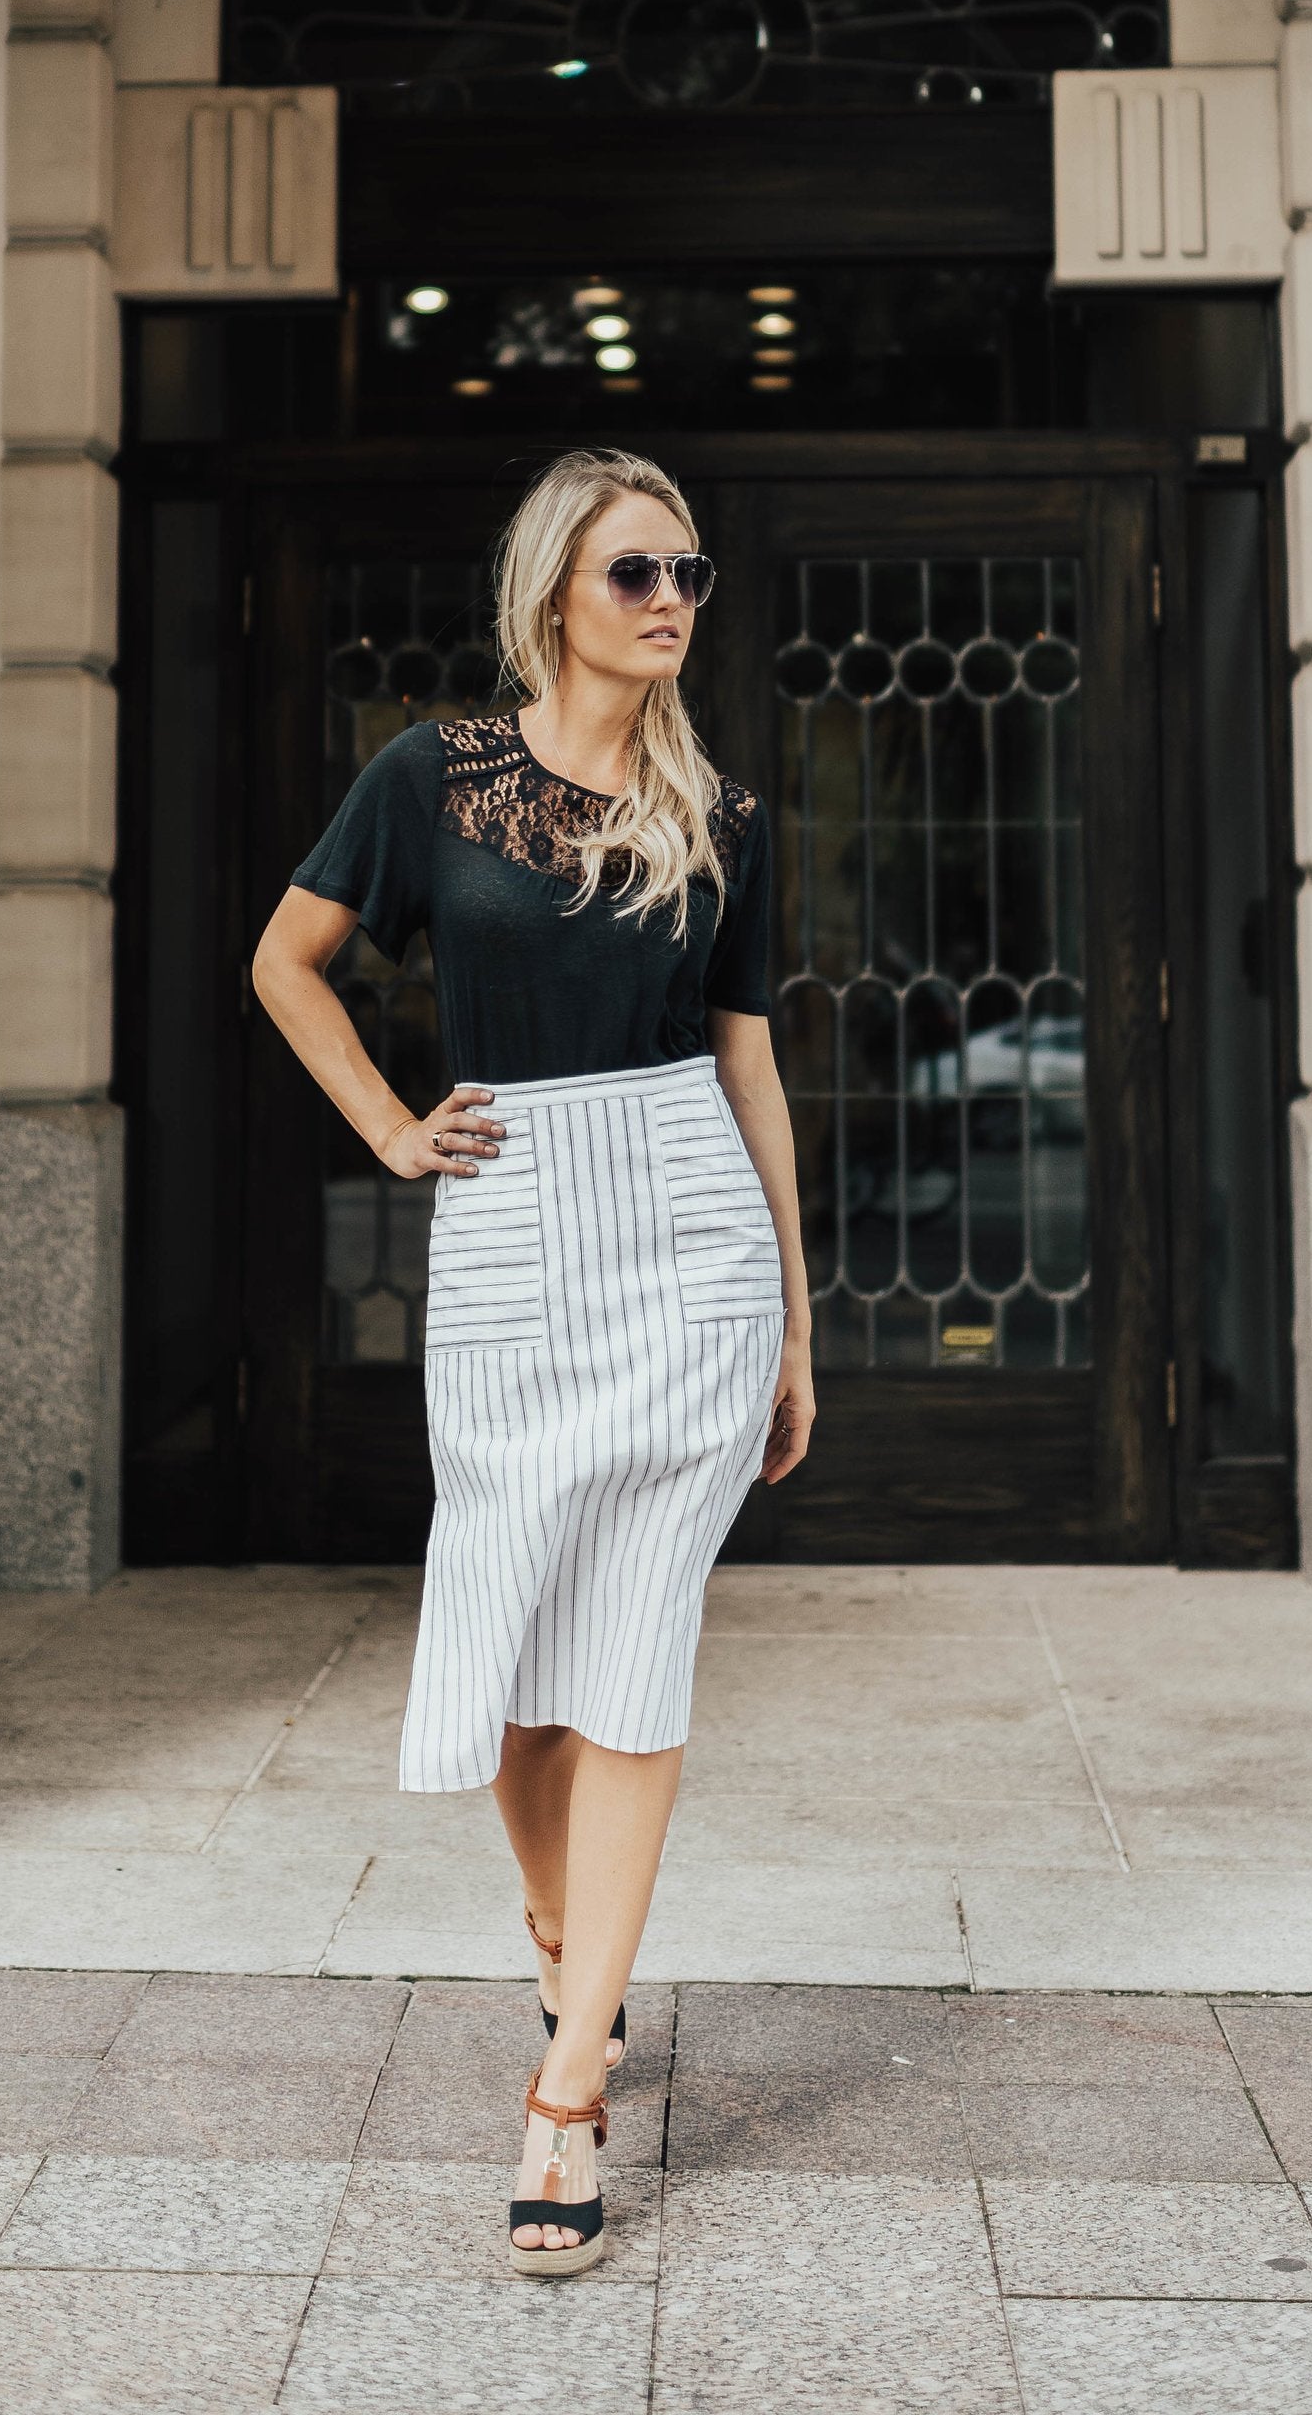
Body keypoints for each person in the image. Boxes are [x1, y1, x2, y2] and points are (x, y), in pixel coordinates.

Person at [253, 446, 815, 2273]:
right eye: (637, 573)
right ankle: (563, 1930)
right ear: (555, 593)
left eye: (689, 576)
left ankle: (567, 2091)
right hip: (510, 1222)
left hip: (688, 1230)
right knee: (508, 1651)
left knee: (636, 1656)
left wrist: (796, 1318)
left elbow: (746, 1067)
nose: (670, 603)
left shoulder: (721, 811)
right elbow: (287, 962)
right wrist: (393, 1129)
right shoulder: (437, 778)